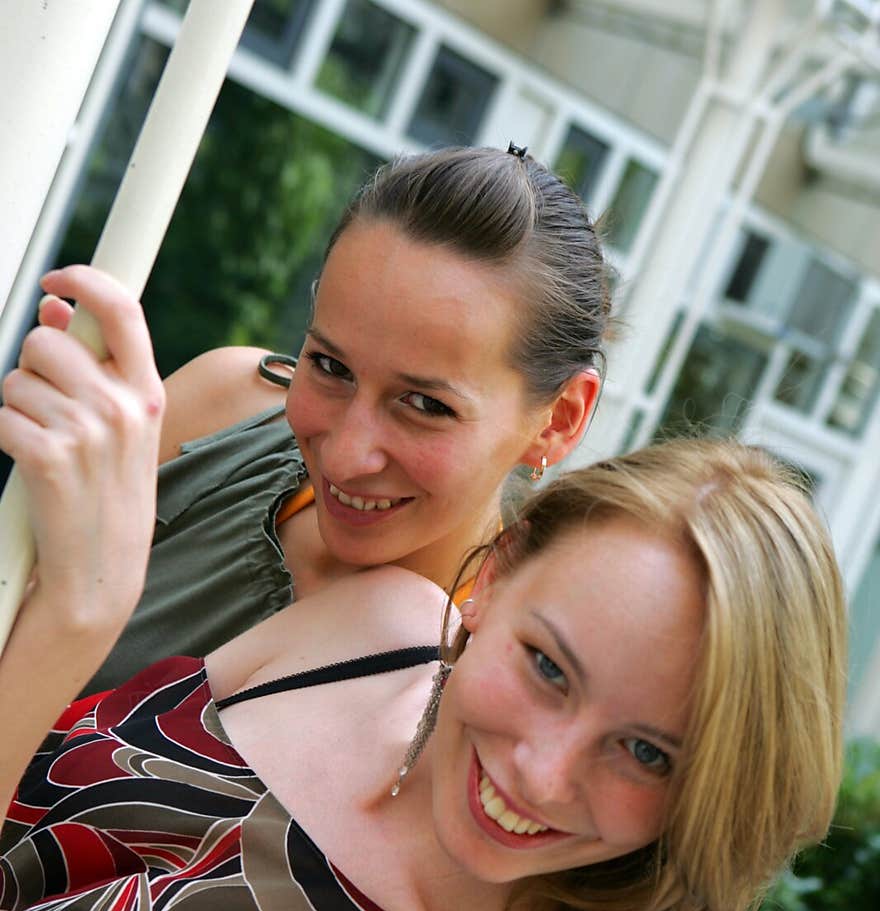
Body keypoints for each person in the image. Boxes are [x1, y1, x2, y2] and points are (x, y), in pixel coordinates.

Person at [0, 270, 845, 911]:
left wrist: (77, 619)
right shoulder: (367, 628)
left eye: (646, 753)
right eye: (546, 668)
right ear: (492, 576)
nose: (541, 773)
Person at [35, 143, 609, 696]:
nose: (342, 456)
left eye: (427, 406)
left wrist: (76, 614)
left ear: (558, 420)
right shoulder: (224, 407)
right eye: (330, 366)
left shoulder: (480, 691)